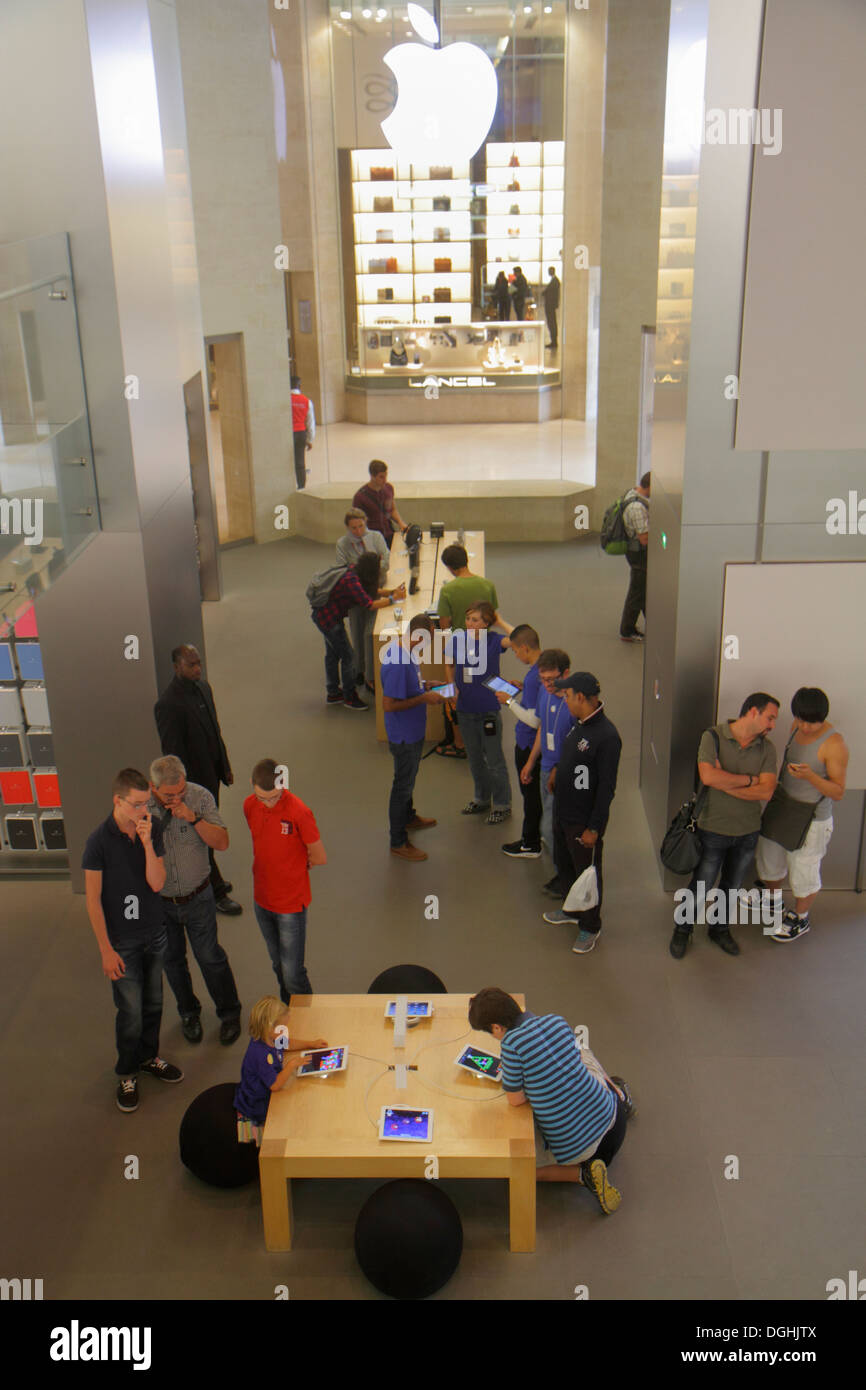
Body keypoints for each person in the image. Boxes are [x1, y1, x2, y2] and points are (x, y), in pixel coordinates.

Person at [468, 988, 629, 1212]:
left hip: (584, 1153)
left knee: (522, 1169)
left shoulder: (510, 1046)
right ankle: (621, 1094)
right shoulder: (556, 1020)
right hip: (615, 1117)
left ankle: (583, 1176)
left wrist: (519, 1078)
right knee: (583, 1054)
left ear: (496, 1027)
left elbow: (515, 1100)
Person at [83, 768, 183, 1113]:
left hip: (154, 931)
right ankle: (127, 1071)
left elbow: (157, 884)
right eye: (137, 804)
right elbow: (93, 900)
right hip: (122, 941)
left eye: (146, 804)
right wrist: (105, 950)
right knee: (130, 1011)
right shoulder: (98, 842)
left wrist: (145, 842)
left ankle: (148, 1057)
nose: (144, 811)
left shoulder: (149, 830)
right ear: (118, 801)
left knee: (154, 1002)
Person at [670, 693, 779, 960]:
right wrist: (751, 780)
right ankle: (683, 930)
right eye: (770, 717)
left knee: (731, 886)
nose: (773, 725)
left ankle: (719, 929)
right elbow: (707, 776)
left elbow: (766, 792)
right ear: (753, 712)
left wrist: (727, 781)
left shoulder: (767, 748)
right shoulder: (713, 737)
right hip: (712, 828)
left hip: (747, 832)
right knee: (701, 885)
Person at [148, 754, 242, 1046]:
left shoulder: (199, 797)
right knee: (172, 961)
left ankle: (229, 1013)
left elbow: (222, 842)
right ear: (153, 788)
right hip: (160, 903)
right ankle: (188, 1013)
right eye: (168, 795)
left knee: (210, 957)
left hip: (198, 897)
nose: (176, 799)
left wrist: (193, 818)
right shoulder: (141, 807)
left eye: (180, 793)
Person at [154, 644, 242, 915]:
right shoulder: (168, 705)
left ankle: (212, 880)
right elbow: (173, 754)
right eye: (191, 664)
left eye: (198, 663)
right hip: (193, 786)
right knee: (201, 835)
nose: (197, 668)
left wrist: (224, 765)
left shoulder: (203, 688)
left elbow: (215, 731)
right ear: (176, 667)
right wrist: (184, 792)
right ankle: (213, 889)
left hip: (211, 776)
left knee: (208, 827)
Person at [756, 687, 848, 942]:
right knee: (768, 859)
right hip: (783, 805)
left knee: (804, 870)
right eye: (802, 720)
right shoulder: (794, 728)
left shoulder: (834, 744)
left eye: (812, 723)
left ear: (823, 718)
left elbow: (838, 792)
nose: (806, 727)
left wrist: (810, 777)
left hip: (812, 818)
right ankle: (773, 902)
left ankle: (800, 917)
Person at [542, 673, 622, 955]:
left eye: (567, 696)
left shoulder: (607, 737)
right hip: (563, 811)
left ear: (581, 698)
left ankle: (590, 925)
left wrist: (594, 828)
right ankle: (571, 910)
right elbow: (571, 757)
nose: (564, 700)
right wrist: (556, 772)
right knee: (565, 865)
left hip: (583, 820)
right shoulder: (580, 724)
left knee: (587, 873)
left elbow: (606, 789)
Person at [244, 758, 327, 1002]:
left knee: (293, 973)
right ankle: (289, 1010)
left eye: (275, 797)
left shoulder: (299, 811)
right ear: (252, 786)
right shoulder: (249, 805)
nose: (269, 803)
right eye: (263, 798)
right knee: (278, 965)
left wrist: (298, 862)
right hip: (262, 900)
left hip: (290, 905)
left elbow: (319, 856)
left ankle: (307, 1018)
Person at [381, 614, 445, 862]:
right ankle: (398, 841)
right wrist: (424, 699)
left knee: (409, 778)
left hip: (413, 730)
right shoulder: (398, 661)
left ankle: (408, 817)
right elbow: (389, 705)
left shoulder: (406, 652)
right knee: (403, 785)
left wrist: (427, 685)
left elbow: (409, 686)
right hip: (404, 735)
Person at [436, 542, 507, 759]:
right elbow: (494, 616)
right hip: (484, 648)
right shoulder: (487, 585)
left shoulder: (448, 590)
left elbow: (445, 624)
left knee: (457, 695)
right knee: (485, 689)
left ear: (449, 567)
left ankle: (459, 743)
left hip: (461, 651)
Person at [444, 601, 512, 825]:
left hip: (488, 710)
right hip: (465, 709)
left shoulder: (494, 641)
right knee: (474, 759)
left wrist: (500, 621)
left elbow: (518, 640)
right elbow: (450, 663)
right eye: (468, 619)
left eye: (475, 620)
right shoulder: (457, 639)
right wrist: (450, 685)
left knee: (494, 759)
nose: (470, 623)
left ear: (486, 623)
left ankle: (502, 804)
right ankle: (481, 798)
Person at [311, 551, 405, 709]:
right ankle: (349, 696)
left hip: (324, 616)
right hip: (329, 620)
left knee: (333, 654)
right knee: (349, 657)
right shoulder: (351, 581)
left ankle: (333, 692)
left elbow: (365, 591)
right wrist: (393, 599)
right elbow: (370, 604)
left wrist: (390, 592)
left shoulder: (354, 570)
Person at [233, 996, 327, 1145]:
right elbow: (275, 1085)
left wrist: (311, 1043)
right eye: (282, 1028)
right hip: (259, 1103)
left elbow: (287, 1044)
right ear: (269, 1028)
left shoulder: (269, 1037)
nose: (285, 1031)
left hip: (271, 1082)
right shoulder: (261, 1055)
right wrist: (291, 1065)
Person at [519, 648, 572, 884]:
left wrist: (557, 771)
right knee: (552, 830)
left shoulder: (574, 703)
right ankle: (562, 872)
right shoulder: (544, 692)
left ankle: (567, 876)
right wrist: (531, 762)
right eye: (543, 679)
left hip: (562, 776)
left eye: (552, 679)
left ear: (566, 673)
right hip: (544, 769)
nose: (547, 684)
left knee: (551, 830)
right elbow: (543, 728)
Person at [497, 624, 544, 858]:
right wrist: (524, 689)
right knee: (536, 794)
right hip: (533, 743)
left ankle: (530, 842)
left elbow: (534, 720)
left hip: (528, 744)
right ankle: (538, 832)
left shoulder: (536, 677)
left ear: (524, 648)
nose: (515, 655)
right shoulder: (541, 670)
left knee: (530, 796)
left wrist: (509, 701)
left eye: (515, 651)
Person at [336, 508, 390, 692]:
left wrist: (364, 569)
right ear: (347, 527)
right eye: (353, 528)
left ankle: (370, 675)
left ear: (366, 522)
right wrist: (369, 568)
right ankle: (358, 670)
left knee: (369, 634)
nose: (358, 531)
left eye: (361, 526)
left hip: (375, 590)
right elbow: (342, 568)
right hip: (355, 595)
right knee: (357, 633)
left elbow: (386, 561)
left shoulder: (376, 537)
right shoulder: (342, 544)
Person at [619, 472, 650, 643]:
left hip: (634, 552)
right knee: (637, 592)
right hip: (639, 555)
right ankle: (627, 630)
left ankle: (652, 623)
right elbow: (644, 538)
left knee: (643, 589)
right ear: (649, 486)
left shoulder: (631, 493)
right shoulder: (637, 508)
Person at [352, 460, 408, 549]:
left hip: (389, 535)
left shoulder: (389, 488)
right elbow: (356, 522)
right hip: (372, 539)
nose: (385, 480)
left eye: (386, 476)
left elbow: (392, 509)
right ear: (372, 476)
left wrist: (401, 523)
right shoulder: (360, 497)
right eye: (381, 477)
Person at [291, 374, 315, 491]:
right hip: (300, 433)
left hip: (287, 434)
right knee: (300, 462)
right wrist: (310, 440)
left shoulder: (285, 400)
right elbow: (310, 423)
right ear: (299, 386)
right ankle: (301, 487)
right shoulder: (306, 401)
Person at [543, 266, 561, 350]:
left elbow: (552, 293)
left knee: (552, 323)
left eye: (549, 271)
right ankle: (553, 341)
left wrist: (545, 292)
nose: (548, 272)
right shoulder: (554, 281)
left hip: (551, 306)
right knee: (551, 323)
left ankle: (554, 341)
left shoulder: (555, 281)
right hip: (550, 305)